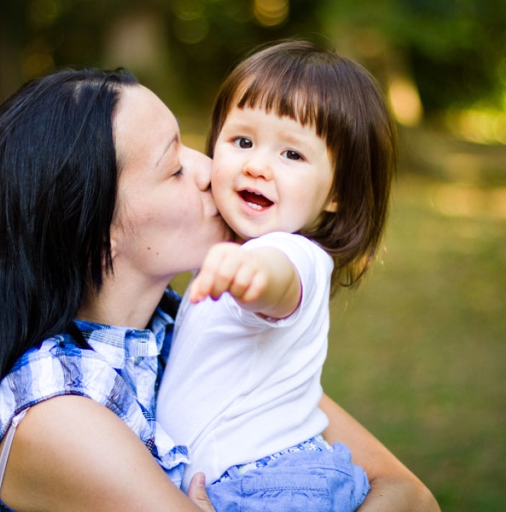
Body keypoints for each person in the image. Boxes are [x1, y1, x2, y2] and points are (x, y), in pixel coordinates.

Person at [0, 66, 439, 511]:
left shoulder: (175, 331)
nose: (210, 170)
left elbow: (411, 495)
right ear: (94, 230)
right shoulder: (54, 414)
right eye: (173, 167)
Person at [156, 39, 398, 511]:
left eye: (292, 155)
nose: (257, 165)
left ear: (336, 194)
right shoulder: (230, 248)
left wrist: (248, 273)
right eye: (242, 141)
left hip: (271, 484)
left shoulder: (294, 254)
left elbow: (277, 281)